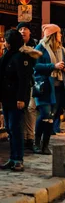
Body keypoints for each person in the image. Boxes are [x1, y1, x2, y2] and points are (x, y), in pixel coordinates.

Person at [0, 29, 39, 171]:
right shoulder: (7, 56)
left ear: (11, 42)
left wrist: (21, 98)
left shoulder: (21, 57)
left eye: (6, 40)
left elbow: (24, 79)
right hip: (6, 97)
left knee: (16, 129)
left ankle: (18, 159)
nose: (4, 43)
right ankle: (12, 157)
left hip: (16, 99)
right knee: (10, 128)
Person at [33, 24, 65, 154]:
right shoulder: (40, 48)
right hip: (45, 86)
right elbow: (36, 66)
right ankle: (37, 142)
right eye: (59, 33)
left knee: (51, 117)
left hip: (58, 87)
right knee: (44, 114)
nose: (61, 35)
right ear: (53, 35)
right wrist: (53, 65)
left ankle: (45, 144)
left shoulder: (62, 50)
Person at [17, 22, 38, 151]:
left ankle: (30, 138)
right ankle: (22, 137)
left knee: (30, 110)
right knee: (21, 111)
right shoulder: (15, 46)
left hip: (32, 83)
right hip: (18, 83)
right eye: (21, 29)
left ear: (30, 32)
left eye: (25, 29)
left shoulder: (35, 47)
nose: (23, 31)